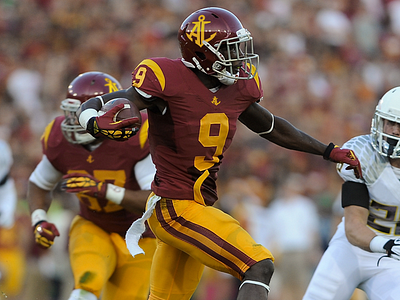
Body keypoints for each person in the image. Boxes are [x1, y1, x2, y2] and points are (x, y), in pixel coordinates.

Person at [75, 7, 362, 300]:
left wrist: (328, 151)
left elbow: (274, 128)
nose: (240, 56)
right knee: (258, 265)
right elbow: (101, 103)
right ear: (203, 53)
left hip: (194, 206)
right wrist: (91, 122)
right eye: (230, 48)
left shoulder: (237, 88)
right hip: (175, 206)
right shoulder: (167, 79)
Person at [27, 71, 157, 300]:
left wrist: (104, 189)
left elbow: (153, 202)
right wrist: (39, 219)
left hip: (140, 236)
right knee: (87, 283)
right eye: (73, 113)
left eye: (83, 113)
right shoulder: (59, 136)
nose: (74, 121)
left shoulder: (136, 136)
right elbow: (39, 183)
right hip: (93, 225)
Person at [302, 86, 400, 300]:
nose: (393, 131)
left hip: (395, 258)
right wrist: (387, 244)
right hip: (352, 248)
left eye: (399, 125)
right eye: (390, 122)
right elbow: (354, 227)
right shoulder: (364, 155)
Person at [0, 139, 26, 299]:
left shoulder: (16, 207)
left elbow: (24, 237)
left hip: (14, 252)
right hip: (3, 251)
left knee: (14, 292)